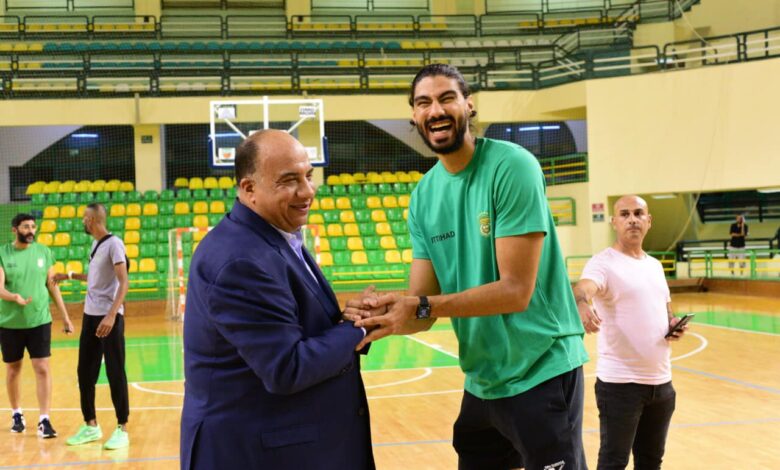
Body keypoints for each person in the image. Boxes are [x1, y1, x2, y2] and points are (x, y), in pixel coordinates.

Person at [349, 64, 589, 470]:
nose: (435, 110)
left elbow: (515, 291)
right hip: (483, 380)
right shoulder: (424, 196)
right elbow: (422, 309)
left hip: (540, 368)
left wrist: (421, 305)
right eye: (424, 103)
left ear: (469, 105)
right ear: (414, 116)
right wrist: (380, 316)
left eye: (447, 98)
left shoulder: (512, 167)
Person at [180, 129, 375, 470]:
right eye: (289, 180)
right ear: (249, 189)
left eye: (308, 176)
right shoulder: (240, 260)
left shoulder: (275, 236)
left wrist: (346, 321)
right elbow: (286, 368)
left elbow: (299, 328)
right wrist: (358, 328)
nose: (307, 190)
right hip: (252, 454)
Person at [573, 195, 687, 470]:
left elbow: (666, 311)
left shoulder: (655, 265)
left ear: (649, 221)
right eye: (624, 214)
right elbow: (582, 289)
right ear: (614, 222)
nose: (632, 219)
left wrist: (673, 325)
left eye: (638, 213)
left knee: (651, 462)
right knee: (614, 462)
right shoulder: (603, 263)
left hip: (662, 384)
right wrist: (582, 304)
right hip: (620, 386)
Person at [52, 203, 130, 450]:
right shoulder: (95, 245)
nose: (82, 222)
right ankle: (91, 425)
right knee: (85, 372)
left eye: (85, 218)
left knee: (115, 372)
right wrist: (69, 276)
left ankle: (122, 428)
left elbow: (124, 282)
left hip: (109, 318)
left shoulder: (114, 244)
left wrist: (111, 315)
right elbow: (96, 279)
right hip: (90, 316)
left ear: (92, 220)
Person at [0, 213, 74, 438]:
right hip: (10, 323)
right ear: (15, 230)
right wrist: (14, 297)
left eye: (33, 226)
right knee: (13, 369)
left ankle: (44, 420)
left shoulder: (44, 252)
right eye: (25, 227)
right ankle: (17, 413)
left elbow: (53, 286)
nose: (31, 230)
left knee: (42, 367)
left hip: (39, 320)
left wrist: (65, 316)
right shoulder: (3, 253)